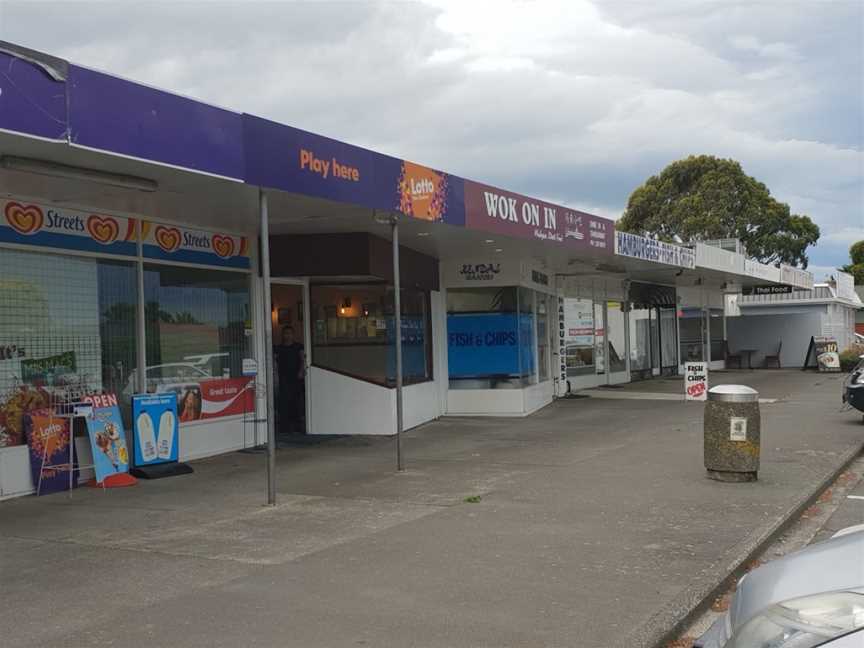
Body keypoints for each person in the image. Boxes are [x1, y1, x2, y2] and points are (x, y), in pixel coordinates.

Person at [275, 326, 305, 434]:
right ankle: (284, 427)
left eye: (289, 333)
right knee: (283, 402)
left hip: (296, 378)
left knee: (296, 402)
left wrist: (301, 371)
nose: (287, 335)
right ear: (282, 335)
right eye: (285, 333)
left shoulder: (298, 347)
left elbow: (303, 360)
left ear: (293, 334)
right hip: (283, 378)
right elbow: (274, 362)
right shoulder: (278, 348)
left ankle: (298, 426)